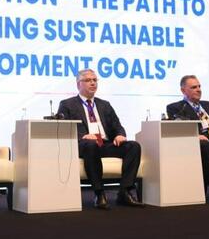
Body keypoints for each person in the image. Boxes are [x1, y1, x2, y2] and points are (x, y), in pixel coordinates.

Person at [56, 69, 144, 209]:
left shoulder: (104, 105)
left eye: (95, 80)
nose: (93, 83)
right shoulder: (67, 104)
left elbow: (117, 125)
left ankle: (125, 191)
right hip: (84, 145)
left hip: (104, 144)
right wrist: (83, 136)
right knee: (91, 145)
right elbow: (64, 128)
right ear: (78, 84)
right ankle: (99, 193)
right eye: (88, 80)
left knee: (133, 146)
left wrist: (119, 134)